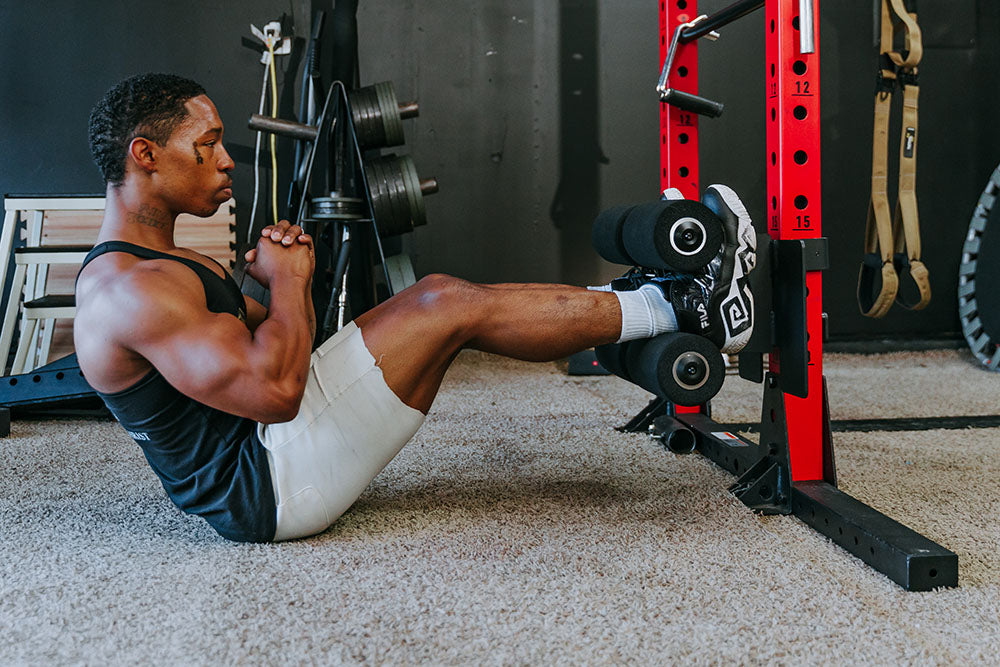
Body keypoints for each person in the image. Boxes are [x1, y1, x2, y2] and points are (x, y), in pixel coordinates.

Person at [74, 73, 756, 543]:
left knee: (439, 297)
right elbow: (275, 388)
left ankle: (652, 303)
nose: (225, 160)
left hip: (268, 445)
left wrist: (271, 281)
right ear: (146, 154)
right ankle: (679, 307)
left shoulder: (166, 264)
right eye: (207, 143)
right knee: (445, 304)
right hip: (265, 484)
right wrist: (285, 283)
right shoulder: (131, 291)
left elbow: (270, 339)